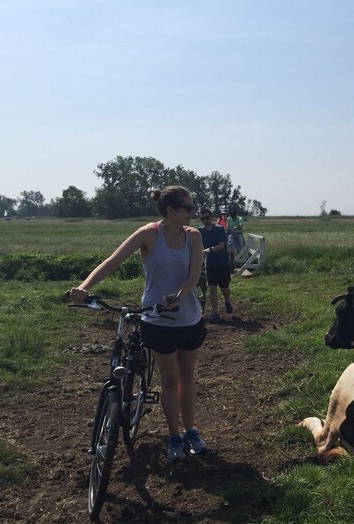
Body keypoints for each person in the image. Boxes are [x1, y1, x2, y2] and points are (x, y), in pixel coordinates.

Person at [69, 186, 209, 462]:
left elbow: (194, 276)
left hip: (189, 318)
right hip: (157, 320)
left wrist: (179, 295)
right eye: (188, 208)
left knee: (188, 376)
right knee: (169, 379)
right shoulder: (149, 234)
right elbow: (112, 262)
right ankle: (173, 435)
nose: (192, 213)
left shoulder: (194, 237)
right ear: (170, 210)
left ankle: (191, 430)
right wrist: (83, 287)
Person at [198, 208, 233, 322]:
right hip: (210, 263)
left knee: (224, 288)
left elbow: (222, 245)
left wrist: (209, 250)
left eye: (207, 217)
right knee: (212, 288)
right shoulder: (200, 231)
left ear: (211, 217)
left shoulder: (219, 229)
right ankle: (215, 313)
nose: (205, 220)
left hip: (222, 263)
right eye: (202, 218)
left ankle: (227, 300)